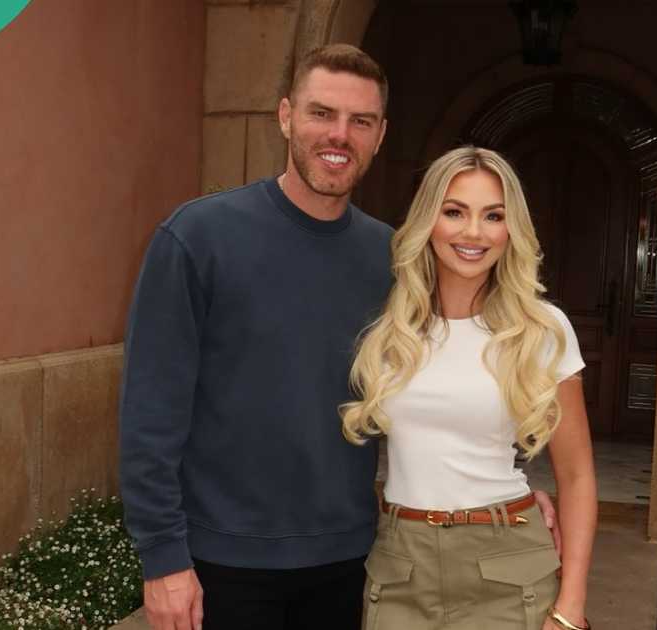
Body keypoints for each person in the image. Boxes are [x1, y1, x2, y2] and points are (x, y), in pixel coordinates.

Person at [120, 43, 560, 630]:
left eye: (360, 122)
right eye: (321, 113)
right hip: (221, 562)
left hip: (350, 562)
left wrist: (509, 497)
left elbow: (452, 372)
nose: (339, 135)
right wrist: (162, 558)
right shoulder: (197, 238)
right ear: (285, 117)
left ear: (380, 135)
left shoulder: (396, 258)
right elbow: (150, 414)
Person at [341, 146, 597, 630]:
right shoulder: (389, 327)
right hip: (400, 568)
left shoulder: (542, 330)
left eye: (493, 215)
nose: (473, 232)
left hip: (509, 564)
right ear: (428, 220)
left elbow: (578, 476)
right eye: (454, 211)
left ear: (510, 229)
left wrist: (570, 608)